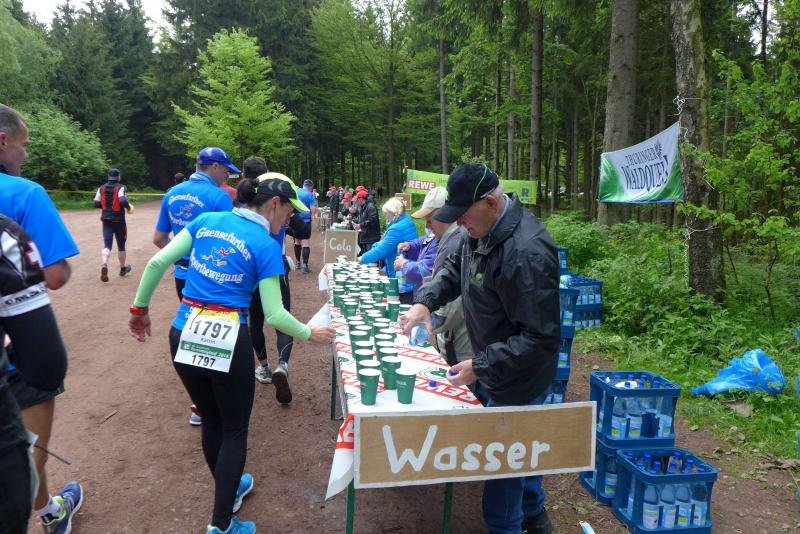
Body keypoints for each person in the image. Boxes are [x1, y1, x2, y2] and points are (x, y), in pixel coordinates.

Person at [128, 177, 336, 534]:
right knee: (235, 429)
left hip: (184, 330)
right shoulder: (266, 245)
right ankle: (222, 525)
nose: (290, 219)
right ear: (274, 204)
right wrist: (309, 333)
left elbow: (156, 263)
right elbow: (274, 314)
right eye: (289, 211)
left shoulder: (207, 220)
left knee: (212, 419)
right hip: (228, 337)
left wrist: (139, 311)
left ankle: (231, 488)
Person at [400, 163, 560, 534]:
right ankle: (536, 516)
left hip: (518, 375)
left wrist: (482, 364)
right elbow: (453, 271)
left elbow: (540, 338)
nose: (459, 223)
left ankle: (508, 526)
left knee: (504, 461)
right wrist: (424, 302)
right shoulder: (478, 230)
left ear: (490, 202)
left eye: (464, 214)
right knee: (521, 449)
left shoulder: (527, 252)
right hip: (489, 361)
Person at [0, 104, 84, 534]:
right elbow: (54, 275)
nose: (26, 154)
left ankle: (51, 509)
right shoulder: (25, 194)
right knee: (24, 440)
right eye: (23, 144)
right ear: (2, 141)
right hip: (16, 340)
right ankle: (42, 515)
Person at [153, 147, 236, 302]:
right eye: (226, 170)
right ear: (215, 167)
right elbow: (232, 241)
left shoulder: (171, 193)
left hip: (182, 275)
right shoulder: (220, 197)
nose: (227, 175)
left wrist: (179, 258)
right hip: (212, 278)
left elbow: (159, 239)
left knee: (188, 316)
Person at [358, 197, 418, 303]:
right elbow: (389, 243)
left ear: (393, 213)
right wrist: (377, 244)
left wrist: (362, 258)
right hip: (409, 272)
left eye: (387, 213)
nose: (386, 216)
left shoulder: (396, 228)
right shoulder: (406, 221)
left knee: (401, 304)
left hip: (401, 276)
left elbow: (382, 251)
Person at [94, 167, 133, 281]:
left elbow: (96, 203)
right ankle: (122, 269)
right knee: (121, 245)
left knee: (107, 245)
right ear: (118, 177)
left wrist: (106, 207)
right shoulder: (121, 187)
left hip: (106, 220)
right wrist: (128, 207)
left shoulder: (101, 188)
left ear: (109, 177)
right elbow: (122, 200)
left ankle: (104, 264)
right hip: (119, 220)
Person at [293, 179, 318, 273]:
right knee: (305, 243)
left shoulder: (296, 192)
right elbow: (313, 210)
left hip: (295, 220)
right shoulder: (311, 195)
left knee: (297, 241)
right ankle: (305, 267)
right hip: (306, 221)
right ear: (311, 187)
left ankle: (297, 262)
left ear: (303, 185)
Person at [352, 190, 379, 254]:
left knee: (370, 256)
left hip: (371, 237)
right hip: (365, 236)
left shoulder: (371, 207)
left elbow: (372, 220)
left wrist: (360, 225)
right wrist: (354, 222)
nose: (356, 201)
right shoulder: (362, 207)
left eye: (357, 199)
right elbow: (361, 219)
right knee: (365, 255)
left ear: (361, 199)